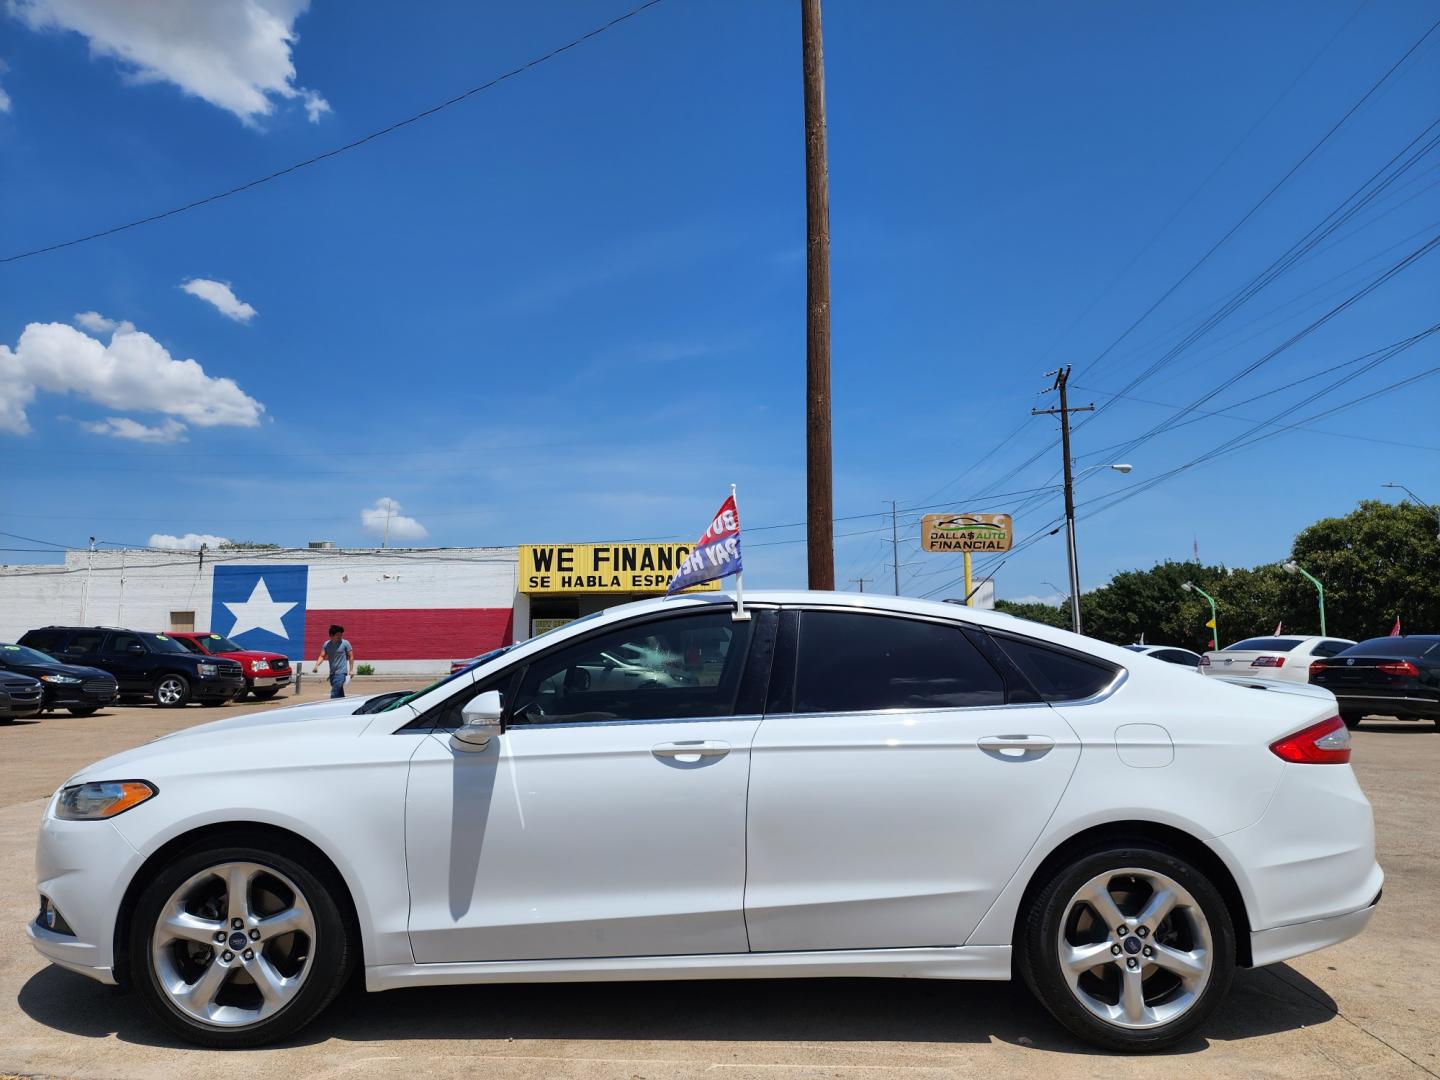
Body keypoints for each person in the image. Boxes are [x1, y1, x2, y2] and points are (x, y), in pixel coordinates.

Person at [313, 624, 355, 698]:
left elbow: (351, 656)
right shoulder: (327, 644)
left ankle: (331, 706)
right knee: (339, 693)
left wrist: (351, 670)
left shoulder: (345, 643)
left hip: (341, 673)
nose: (340, 637)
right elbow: (322, 656)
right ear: (331, 635)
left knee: (334, 692)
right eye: (338, 635)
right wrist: (316, 666)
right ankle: (343, 706)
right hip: (332, 673)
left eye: (341, 635)